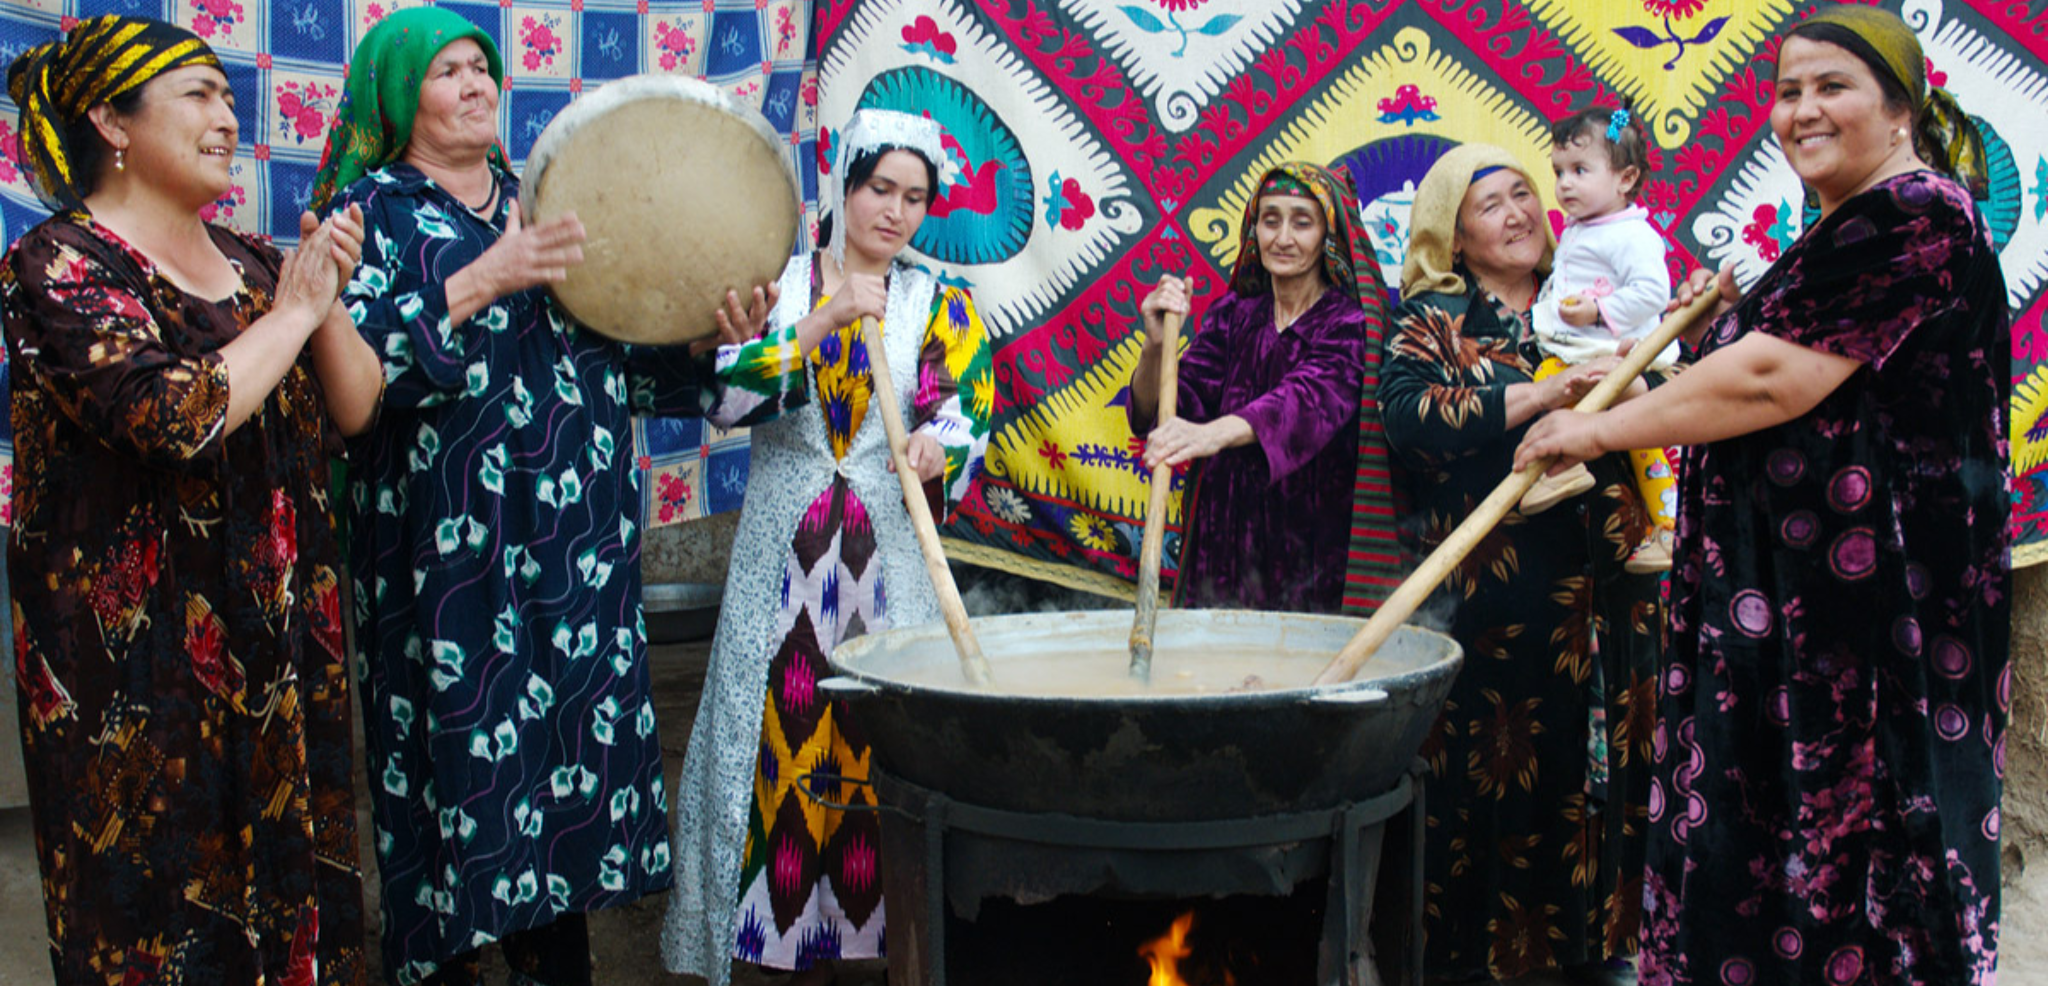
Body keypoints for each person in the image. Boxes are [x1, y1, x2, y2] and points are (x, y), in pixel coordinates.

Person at [311, 9, 805, 983]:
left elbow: (645, 362)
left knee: (565, 776)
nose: (474, 84)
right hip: (448, 557)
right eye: (446, 71)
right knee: (455, 780)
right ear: (393, 93)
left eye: (481, 68)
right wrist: (481, 277)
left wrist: (717, 337)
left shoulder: (563, 195)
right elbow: (350, 392)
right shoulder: (367, 215)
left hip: (576, 550)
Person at [1516, 6, 2008, 981]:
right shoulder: (1839, 231)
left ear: (1899, 105)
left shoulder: (1912, 216)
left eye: (1832, 86)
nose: (1800, 109)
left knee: (1852, 880)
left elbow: (1766, 381)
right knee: (1772, 868)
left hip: (1863, 634)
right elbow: (1747, 364)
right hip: (1793, 623)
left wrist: (1595, 428)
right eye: (1787, 91)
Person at [3, 15, 383, 984]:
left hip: (278, 653)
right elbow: (173, 418)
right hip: (139, 682)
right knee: (166, 915)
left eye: (227, 93)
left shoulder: (257, 262)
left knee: (293, 902)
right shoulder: (59, 262)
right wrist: (294, 311)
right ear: (111, 122)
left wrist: (321, 292)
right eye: (198, 95)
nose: (227, 115)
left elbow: (354, 405)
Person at [663, 108, 994, 986]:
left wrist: (938, 446)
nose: (895, 211)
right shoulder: (782, 282)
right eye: (880, 188)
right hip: (786, 545)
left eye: (914, 197)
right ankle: (770, 943)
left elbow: (965, 408)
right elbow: (724, 397)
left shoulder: (939, 302)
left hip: (885, 551)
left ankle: (873, 943)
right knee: (774, 731)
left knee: (878, 732)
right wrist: (824, 318)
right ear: (844, 185)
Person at [1382, 144, 1661, 984]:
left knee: (1608, 774)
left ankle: (1603, 957)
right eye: (1491, 204)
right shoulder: (1434, 324)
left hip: (1611, 595)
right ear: (1453, 237)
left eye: (1525, 195)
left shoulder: (1590, 302)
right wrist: (1543, 393)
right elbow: (1410, 418)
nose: (1519, 212)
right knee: (1503, 782)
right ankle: (1481, 967)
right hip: (1502, 607)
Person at [1129, 161, 1397, 613]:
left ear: (1328, 235)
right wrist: (1155, 348)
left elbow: (1305, 401)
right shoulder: (1235, 315)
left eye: (1302, 222)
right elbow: (1164, 411)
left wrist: (1208, 435)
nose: (1283, 237)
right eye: (1270, 219)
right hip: (1220, 540)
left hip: (1307, 547)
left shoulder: (1350, 325)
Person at [1523, 104, 1678, 574]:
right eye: (1558, 172)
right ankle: (1567, 469)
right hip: (1589, 350)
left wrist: (1599, 311)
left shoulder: (1631, 235)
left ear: (1625, 178)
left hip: (1624, 353)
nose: (1565, 183)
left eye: (1580, 170)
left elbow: (1654, 292)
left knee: (1641, 435)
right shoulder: (1581, 228)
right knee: (1566, 396)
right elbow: (1566, 279)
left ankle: (1669, 526)